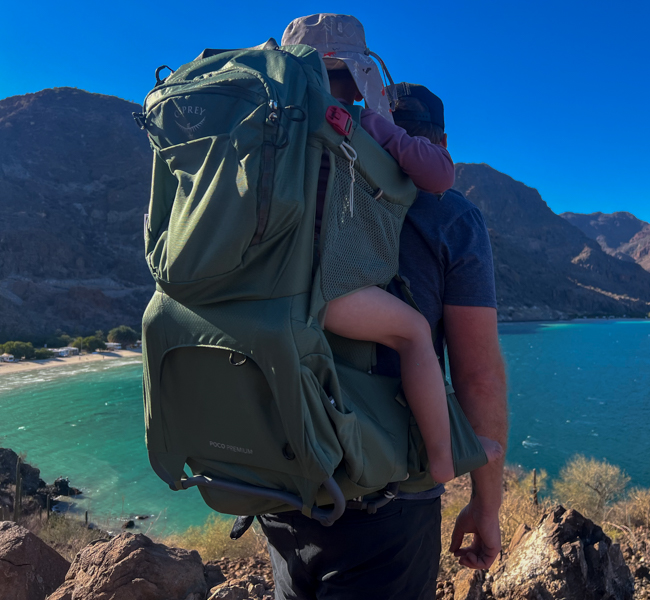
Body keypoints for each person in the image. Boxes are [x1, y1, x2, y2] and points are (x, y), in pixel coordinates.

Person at [257, 24, 508, 595]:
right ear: (440, 142)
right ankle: (446, 456)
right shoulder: (449, 215)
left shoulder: (274, 166)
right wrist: (485, 504)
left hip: (280, 472)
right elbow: (478, 376)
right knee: (415, 335)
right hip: (385, 496)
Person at [284, 13, 500, 484]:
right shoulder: (359, 123)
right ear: (361, 76)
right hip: (324, 293)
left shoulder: (268, 126)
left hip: (259, 289)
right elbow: (440, 175)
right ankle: (443, 458)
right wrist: (385, 128)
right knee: (414, 334)